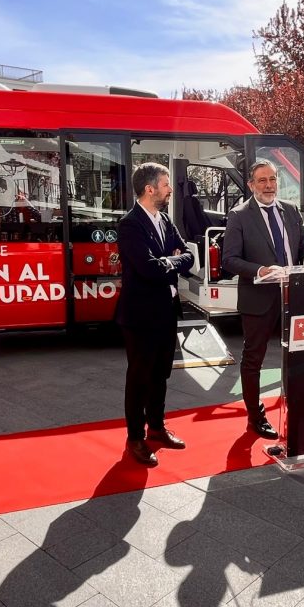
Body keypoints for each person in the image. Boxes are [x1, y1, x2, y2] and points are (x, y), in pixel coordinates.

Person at [221, 159, 304, 440]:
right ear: (251, 185)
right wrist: (260, 270)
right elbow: (229, 259)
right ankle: (256, 416)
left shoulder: (291, 210)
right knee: (254, 360)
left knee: (300, 356)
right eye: (262, 180)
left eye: (273, 179)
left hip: (295, 295)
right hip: (258, 298)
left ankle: (297, 406)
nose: (269, 185)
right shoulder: (239, 215)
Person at [116, 162, 195, 466]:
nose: (169, 189)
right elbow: (147, 269)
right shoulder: (130, 224)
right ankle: (135, 438)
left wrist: (171, 260)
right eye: (165, 184)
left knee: (161, 374)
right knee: (139, 378)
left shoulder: (164, 219)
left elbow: (187, 254)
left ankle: (157, 428)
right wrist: (172, 260)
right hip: (140, 316)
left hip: (166, 311)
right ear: (149, 189)